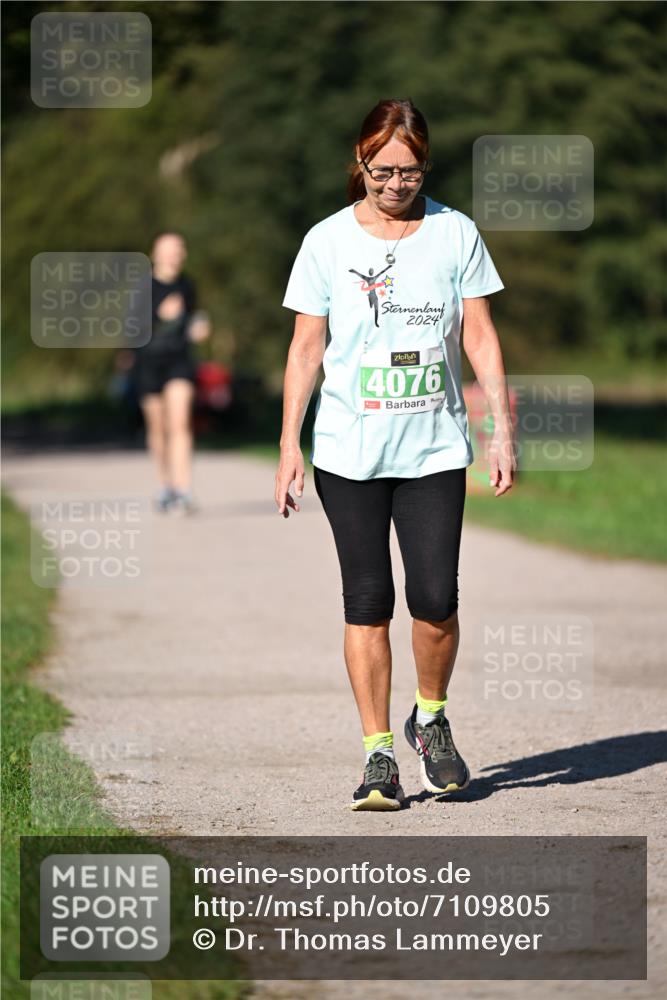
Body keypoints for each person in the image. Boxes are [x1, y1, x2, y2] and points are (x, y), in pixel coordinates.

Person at [275, 99, 517, 812]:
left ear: (425, 166)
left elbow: (479, 338)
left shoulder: (455, 233)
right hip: (348, 451)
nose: (394, 183)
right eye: (380, 170)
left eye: (408, 171)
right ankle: (377, 756)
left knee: (435, 599)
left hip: (435, 447)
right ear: (359, 163)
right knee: (367, 602)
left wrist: (501, 429)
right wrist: (289, 443)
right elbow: (304, 348)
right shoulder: (326, 241)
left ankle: (430, 720)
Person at [125, 232, 210, 514]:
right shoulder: (142, 288)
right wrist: (159, 314)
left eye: (179, 249)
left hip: (179, 361)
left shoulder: (187, 285)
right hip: (148, 363)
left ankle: (183, 490)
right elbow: (131, 331)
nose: (175, 255)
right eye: (168, 250)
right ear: (155, 254)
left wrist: (197, 326)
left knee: (180, 423)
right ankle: (165, 486)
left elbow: (193, 317)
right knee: (158, 428)